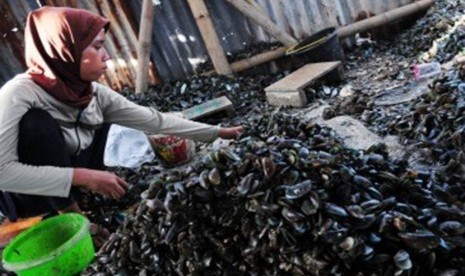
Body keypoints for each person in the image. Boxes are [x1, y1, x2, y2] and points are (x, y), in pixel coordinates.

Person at [0, 6, 243, 246]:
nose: (107, 55)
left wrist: (216, 132)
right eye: (96, 47)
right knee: (36, 124)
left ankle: (86, 193)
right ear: (66, 50)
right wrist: (83, 176)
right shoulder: (17, 93)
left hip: (71, 177)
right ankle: (73, 216)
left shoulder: (91, 92)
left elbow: (154, 120)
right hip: (30, 196)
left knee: (98, 113)